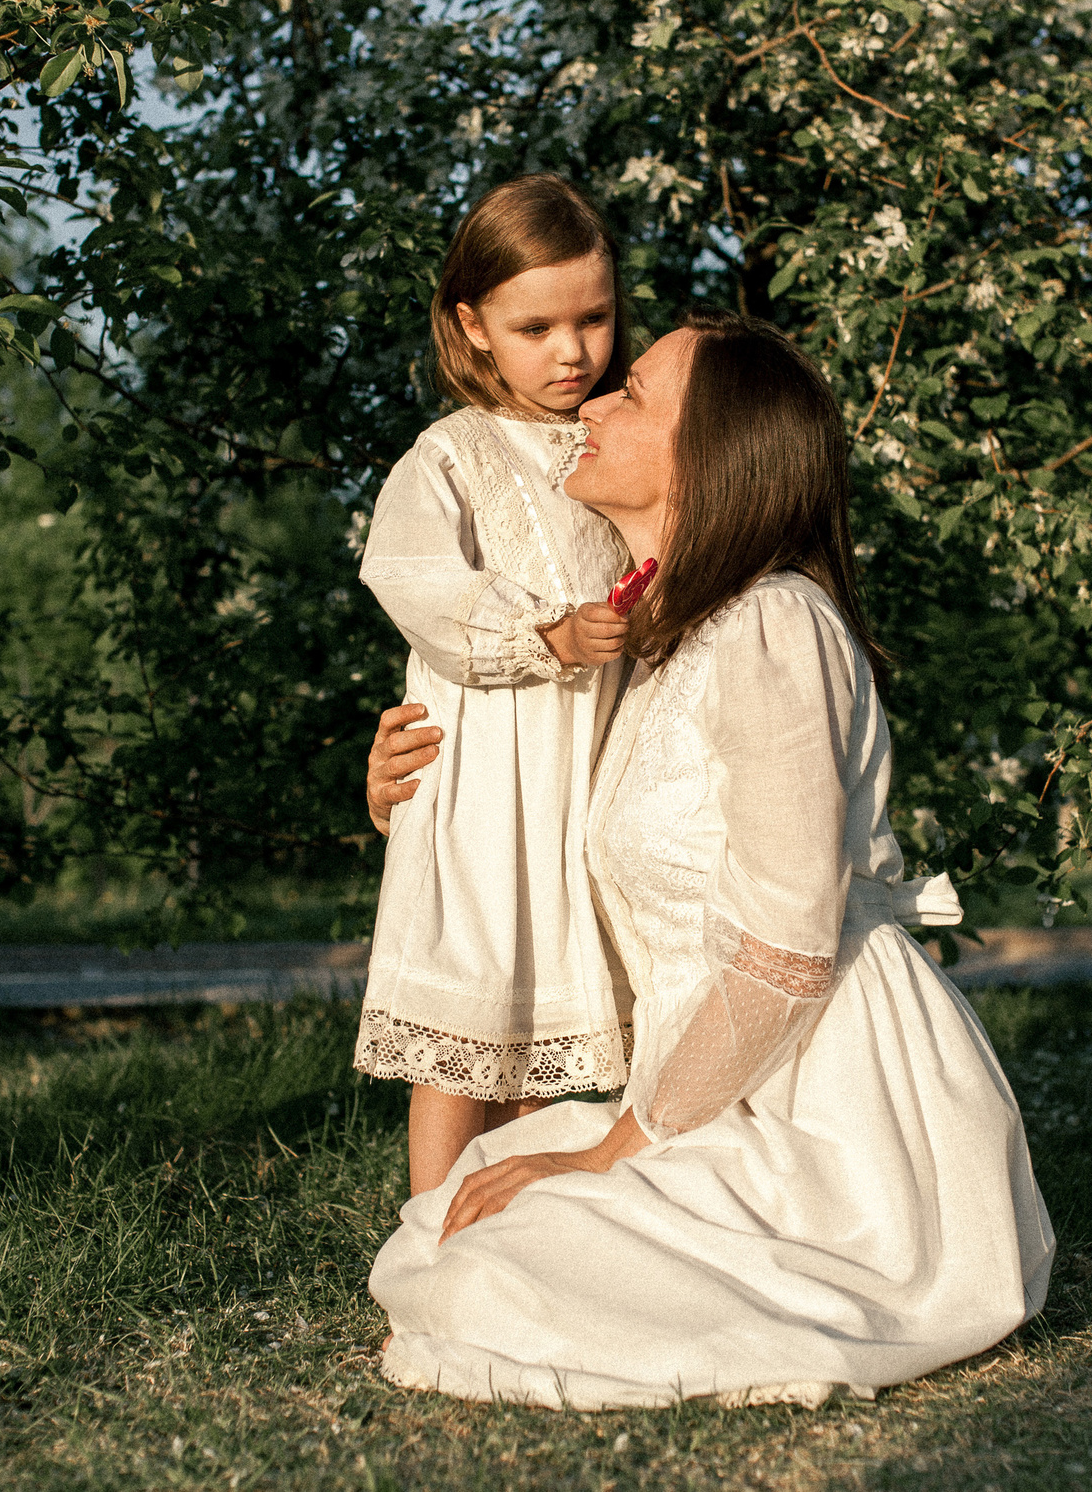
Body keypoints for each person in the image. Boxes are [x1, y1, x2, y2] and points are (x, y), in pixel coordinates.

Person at [362, 311, 1055, 1409]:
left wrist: (613, 1153)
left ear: (708, 453)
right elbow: (529, 795)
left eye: (629, 392)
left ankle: (788, 1255)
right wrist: (402, 772)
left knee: (501, 1262)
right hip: (711, 1082)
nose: (589, 400)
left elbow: (784, 946)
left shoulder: (776, 627)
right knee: (462, 1214)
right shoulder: (672, 637)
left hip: (827, 1116)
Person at [354, 174, 643, 1198]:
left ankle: (526, 1220)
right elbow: (409, 574)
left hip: (586, 768)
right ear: (472, 325)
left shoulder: (623, 436)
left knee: (561, 1026)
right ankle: (433, 1225)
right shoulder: (456, 453)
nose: (571, 353)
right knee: (470, 1021)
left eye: (594, 318)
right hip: (486, 779)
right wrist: (542, 634)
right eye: (535, 328)